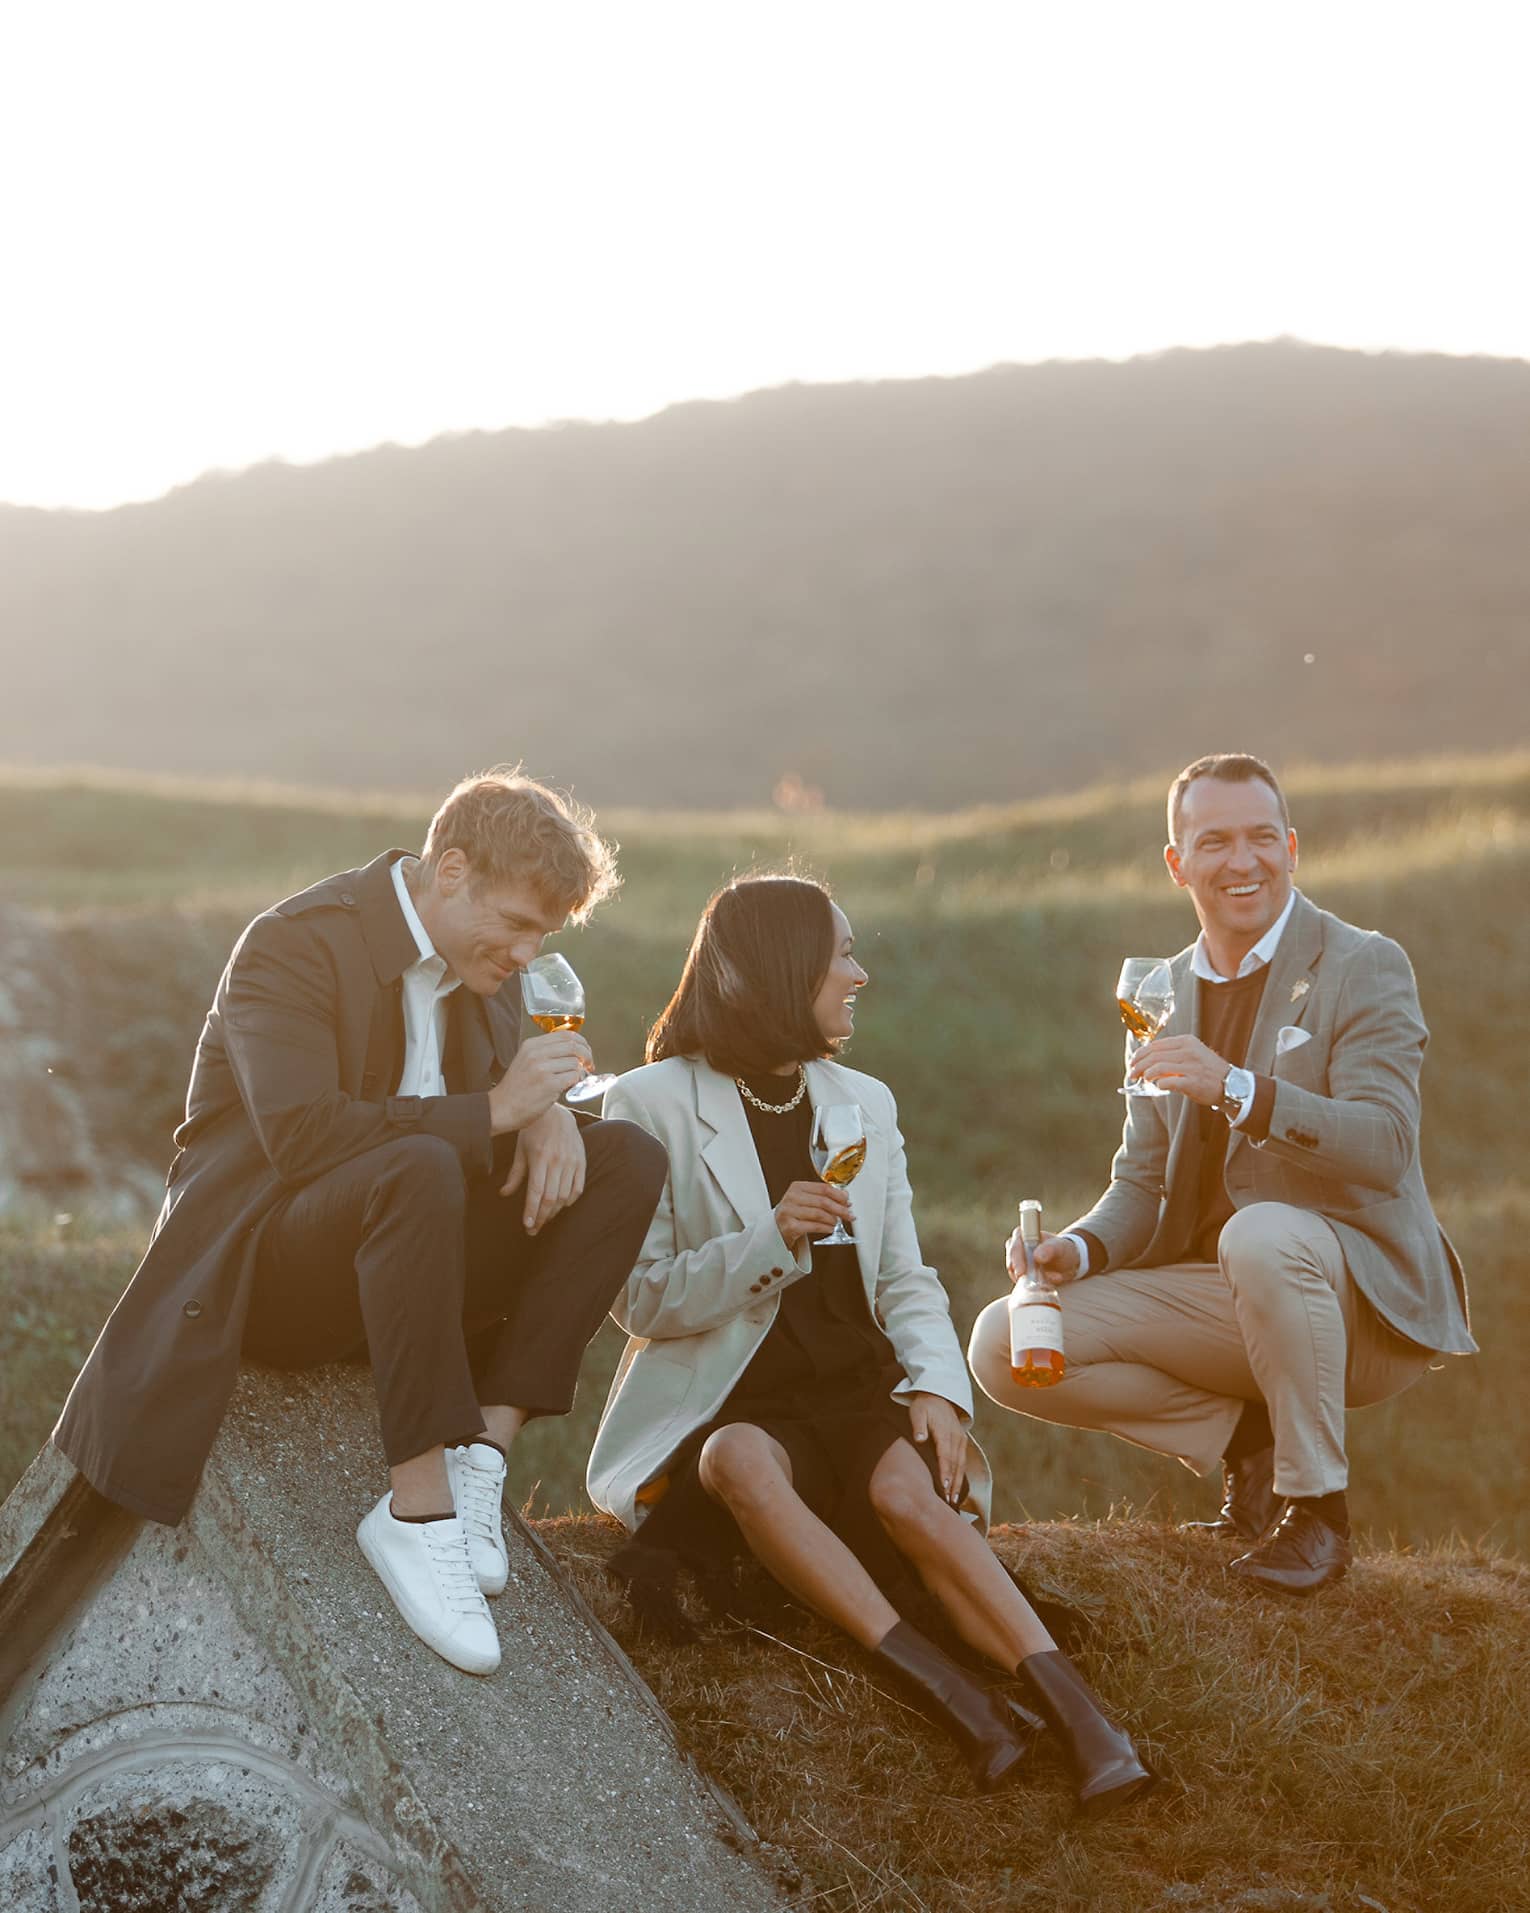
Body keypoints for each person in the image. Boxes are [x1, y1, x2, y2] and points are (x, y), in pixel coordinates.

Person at [54, 768, 667, 1674]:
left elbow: (496, 1095)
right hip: (270, 1271)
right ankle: (415, 1512)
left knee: (628, 1157)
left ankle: (479, 1456)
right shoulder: (292, 945)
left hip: (414, 1258)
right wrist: (499, 1111)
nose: (528, 952)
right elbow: (305, 1138)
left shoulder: (484, 961)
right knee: (415, 1162)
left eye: (544, 933)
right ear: (450, 871)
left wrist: (544, 1113)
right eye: (519, 924)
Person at [586, 875, 1153, 1814]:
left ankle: (1089, 1724)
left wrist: (938, 1390)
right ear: (781, 970)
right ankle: (956, 1699)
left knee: (907, 1490)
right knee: (737, 1460)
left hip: (849, 1384)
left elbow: (904, 1278)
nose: (860, 972)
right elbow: (641, 1301)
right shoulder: (647, 1102)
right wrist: (771, 1239)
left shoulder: (863, 1104)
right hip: (726, 1396)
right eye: (840, 955)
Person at [969, 753, 1474, 1594]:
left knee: (1261, 1232)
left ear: (1292, 846)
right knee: (1005, 1342)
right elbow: (1141, 1179)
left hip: (1357, 1308)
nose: (1242, 861)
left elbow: (1386, 1143)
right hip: (1223, 1301)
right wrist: (1079, 1251)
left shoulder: (1363, 964)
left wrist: (1237, 1088)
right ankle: (1249, 1443)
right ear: (1178, 863)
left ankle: (1316, 1509)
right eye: (1214, 841)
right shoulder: (1157, 995)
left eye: (1260, 838)